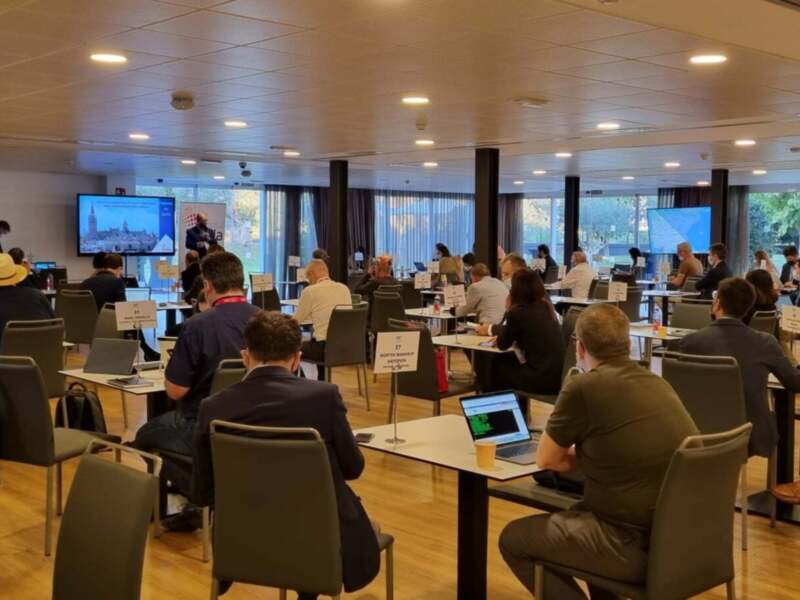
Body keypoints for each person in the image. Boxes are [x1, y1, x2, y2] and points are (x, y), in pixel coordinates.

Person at [499, 304, 698, 599]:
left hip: (630, 546)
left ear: (580, 348)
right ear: (628, 344)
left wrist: (586, 458)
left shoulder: (584, 386)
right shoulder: (658, 383)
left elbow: (547, 459)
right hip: (682, 542)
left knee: (514, 539)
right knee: (582, 513)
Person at [192, 311, 380, 597]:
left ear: (245, 356)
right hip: (317, 539)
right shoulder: (324, 397)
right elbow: (353, 468)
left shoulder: (213, 407)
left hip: (241, 541)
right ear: (296, 359)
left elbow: (202, 492)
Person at [132, 251, 259, 529]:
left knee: (143, 438)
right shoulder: (265, 321)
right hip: (253, 421)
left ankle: (200, 493)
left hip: (200, 423)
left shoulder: (197, 326)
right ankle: (208, 491)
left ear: (208, 286)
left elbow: (176, 391)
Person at [680, 277, 800, 458]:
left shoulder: (690, 342)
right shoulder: (765, 343)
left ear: (717, 303)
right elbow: (795, 383)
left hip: (698, 429)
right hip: (749, 433)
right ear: (748, 307)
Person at [476, 269, 564, 406]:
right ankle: (518, 411)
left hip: (539, 379)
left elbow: (502, 344)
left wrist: (508, 308)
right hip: (557, 378)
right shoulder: (547, 308)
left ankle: (500, 410)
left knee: (496, 365)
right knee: (509, 364)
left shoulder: (518, 312)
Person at [294, 259, 352, 380]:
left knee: (290, 348)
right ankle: (321, 383)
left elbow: (295, 321)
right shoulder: (344, 288)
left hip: (324, 349)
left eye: (308, 279)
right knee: (317, 339)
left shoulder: (310, 291)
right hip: (348, 348)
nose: (309, 282)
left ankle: (297, 385)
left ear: (312, 275)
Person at [0, 253, 54, 341]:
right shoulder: (38, 295)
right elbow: (55, 323)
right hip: (45, 348)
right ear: (15, 277)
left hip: (8, 350)